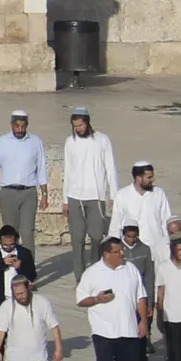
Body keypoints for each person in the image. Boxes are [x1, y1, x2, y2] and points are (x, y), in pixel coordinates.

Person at [76, 237, 150, 361]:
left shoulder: (130, 269)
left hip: (128, 329)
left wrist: (143, 322)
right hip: (103, 330)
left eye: (122, 251)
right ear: (106, 254)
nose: (122, 254)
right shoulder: (92, 273)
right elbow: (81, 300)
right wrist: (97, 300)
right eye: (118, 252)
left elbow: (141, 297)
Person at [62, 106, 119, 281]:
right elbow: (68, 170)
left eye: (80, 125)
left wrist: (113, 195)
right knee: (77, 239)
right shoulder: (70, 142)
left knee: (96, 236)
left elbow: (110, 167)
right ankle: (80, 278)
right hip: (75, 196)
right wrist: (65, 199)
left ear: (87, 122)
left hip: (96, 196)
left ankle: (95, 272)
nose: (78, 129)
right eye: (75, 126)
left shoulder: (102, 140)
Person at [0, 109, 48, 256]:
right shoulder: (1, 142)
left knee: (27, 231)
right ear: (11, 125)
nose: (20, 129)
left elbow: (41, 169)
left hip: (29, 193)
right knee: (10, 233)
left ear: (27, 125)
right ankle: (11, 267)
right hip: (8, 193)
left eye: (23, 126)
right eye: (17, 126)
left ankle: (28, 269)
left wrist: (45, 194)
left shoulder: (35, 142)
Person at [0, 224, 37, 348]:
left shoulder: (24, 253)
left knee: (19, 328)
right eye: (5, 245)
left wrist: (20, 268)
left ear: (16, 241)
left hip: (18, 298)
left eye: (11, 245)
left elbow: (32, 275)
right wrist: (2, 263)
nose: (8, 248)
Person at [108, 161, 172, 250]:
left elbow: (166, 221)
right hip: (131, 249)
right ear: (138, 178)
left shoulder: (159, 193)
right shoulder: (122, 195)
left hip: (157, 247)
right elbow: (116, 224)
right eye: (149, 177)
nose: (152, 180)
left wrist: (169, 244)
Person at [121, 224, 156, 361]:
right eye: (128, 236)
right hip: (123, 299)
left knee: (142, 332)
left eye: (134, 236)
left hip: (140, 298)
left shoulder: (145, 250)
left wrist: (150, 302)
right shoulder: (118, 250)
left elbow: (149, 277)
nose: (131, 239)